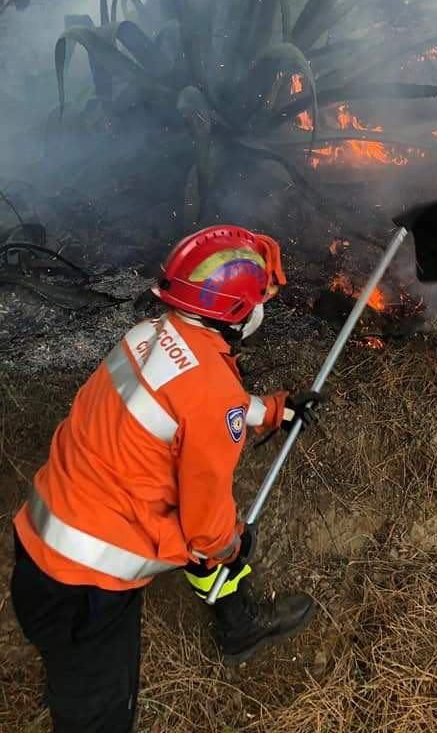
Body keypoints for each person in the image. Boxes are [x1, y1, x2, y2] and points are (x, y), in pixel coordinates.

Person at [10, 225, 321, 733]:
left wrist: (275, 411)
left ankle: (236, 626)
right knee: (100, 716)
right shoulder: (211, 392)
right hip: (87, 587)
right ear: (240, 312)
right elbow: (205, 524)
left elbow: (190, 404)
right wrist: (232, 546)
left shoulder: (147, 336)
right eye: (262, 294)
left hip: (37, 544)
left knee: (73, 672)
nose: (265, 302)